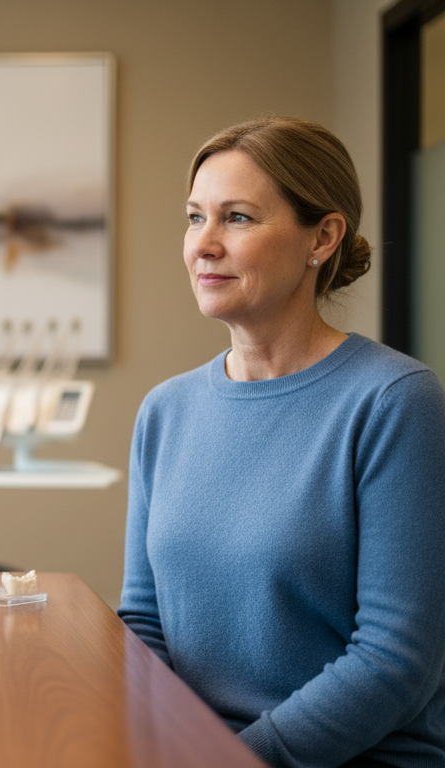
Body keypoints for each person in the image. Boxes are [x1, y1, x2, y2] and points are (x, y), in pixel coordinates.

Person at [117, 116, 445, 767]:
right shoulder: (166, 410)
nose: (203, 245)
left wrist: (230, 759)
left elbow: (394, 660)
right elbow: (143, 626)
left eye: (236, 218)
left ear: (322, 238)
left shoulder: (395, 401)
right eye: (194, 218)